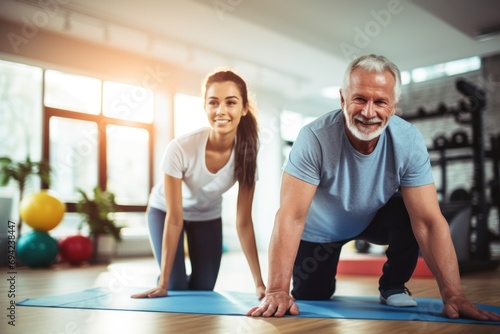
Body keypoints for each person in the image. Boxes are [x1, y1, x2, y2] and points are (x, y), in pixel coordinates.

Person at [247, 54, 500, 321]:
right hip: (319, 233)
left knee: (411, 211)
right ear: (343, 99)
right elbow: (291, 216)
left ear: (394, 105)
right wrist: (277, 289)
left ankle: (392, 285)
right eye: (359, 99)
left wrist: (454, 295)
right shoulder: (314, 138)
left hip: (370, 219)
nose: (369, 112)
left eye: (380, 101)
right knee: (313, 295)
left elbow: (428, 221)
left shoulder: (408, 140)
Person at [132, 69, 266, 300]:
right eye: (213, 102)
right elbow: (175, 218)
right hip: (165, 212)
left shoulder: (246, 155)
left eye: (230, 102)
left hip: (207, 216)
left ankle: (174, 280)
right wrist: (164, 283)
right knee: (175, 288)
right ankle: (166, 277)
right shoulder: (180, 148)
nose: (221, 111)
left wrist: (259, 284)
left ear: (244, 108)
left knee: (203, 289)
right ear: (204, 106)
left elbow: (244, 223)